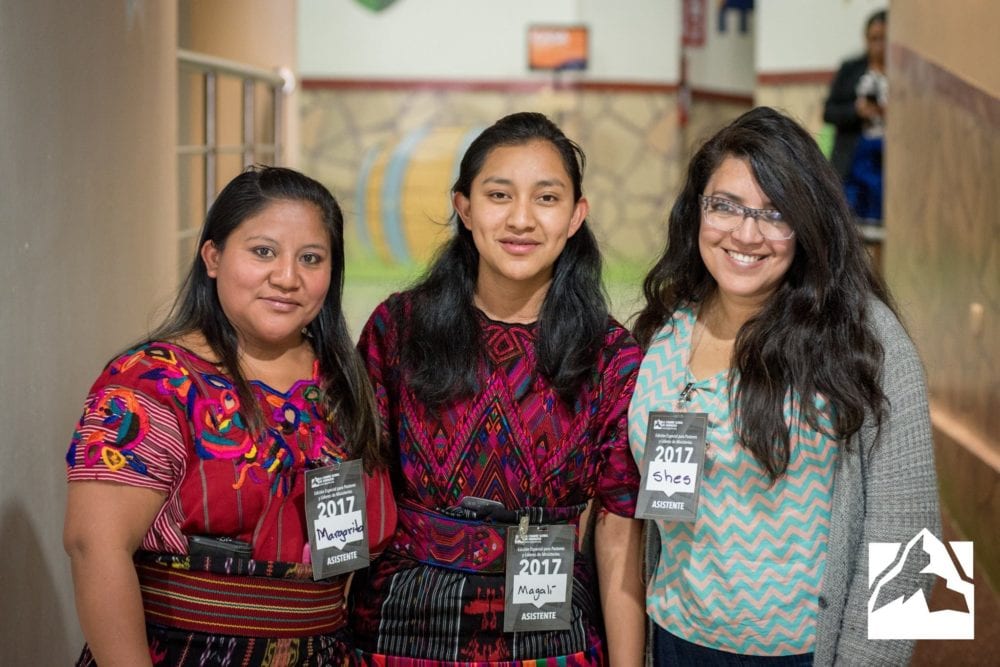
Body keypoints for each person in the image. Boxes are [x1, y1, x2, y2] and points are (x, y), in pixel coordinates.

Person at [629, 107, 939, 666]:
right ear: (696, 210)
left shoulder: (865, 339)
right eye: (724, 206)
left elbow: (915, 540)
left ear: (809, 223)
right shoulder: (662, 327)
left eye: (774, 213)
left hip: (806, 656)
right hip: (672, 641)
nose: (745, 234)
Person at [64, 166, 396, 666]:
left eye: (311, 258)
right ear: (213, 256)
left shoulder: (345, 383)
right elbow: (94, 547)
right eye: (263, 251)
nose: (287, 277)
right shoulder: (152, 382)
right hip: (185, 653)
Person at [350, 112, 645, 665]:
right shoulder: (398, 329)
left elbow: (618, 529)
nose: (521, 219)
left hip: (548, 630)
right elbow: (360, 482)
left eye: (547, 198)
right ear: (464, 207)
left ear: (577, 215)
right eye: (499, 195)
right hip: (399, 622)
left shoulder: (612, 356)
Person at [823, 9, 888, 221]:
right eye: (873, 39)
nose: (878, 45)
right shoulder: (851, 69)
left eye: (884, 39)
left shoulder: (905, 74)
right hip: (854, 154)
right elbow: (829, 111)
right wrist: (857, 110)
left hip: (887, 156)